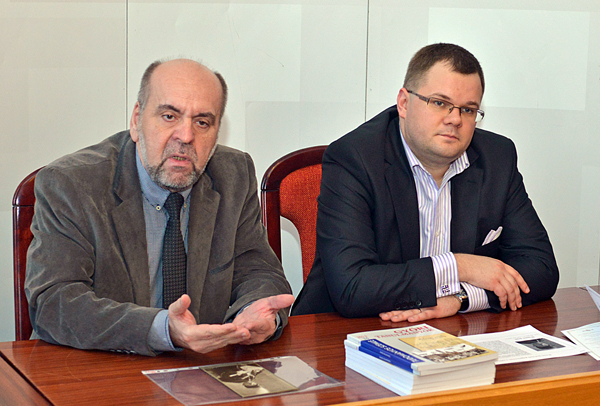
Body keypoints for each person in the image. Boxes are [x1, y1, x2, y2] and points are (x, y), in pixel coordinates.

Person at [25, 58, 294, 356]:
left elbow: (258, 270)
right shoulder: (72, 184)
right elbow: (54, 302)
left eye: (202, 122)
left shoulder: (233, 174)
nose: (186, 136)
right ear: (136, 120)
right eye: (169, 116)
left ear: (217, 133)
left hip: (198, 368)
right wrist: (162, 329)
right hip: (95, 366)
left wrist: (255, 313)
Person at [292, 43, 559, 322]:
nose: (455, 119)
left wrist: (461, 298)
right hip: (341, 332)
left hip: (451, 330)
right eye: (440, 103)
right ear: (404, 103)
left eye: (468, 110)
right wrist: (460, 266)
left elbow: (542, 269)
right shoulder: (355, 158)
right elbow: (353, 288)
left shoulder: (497, 159)